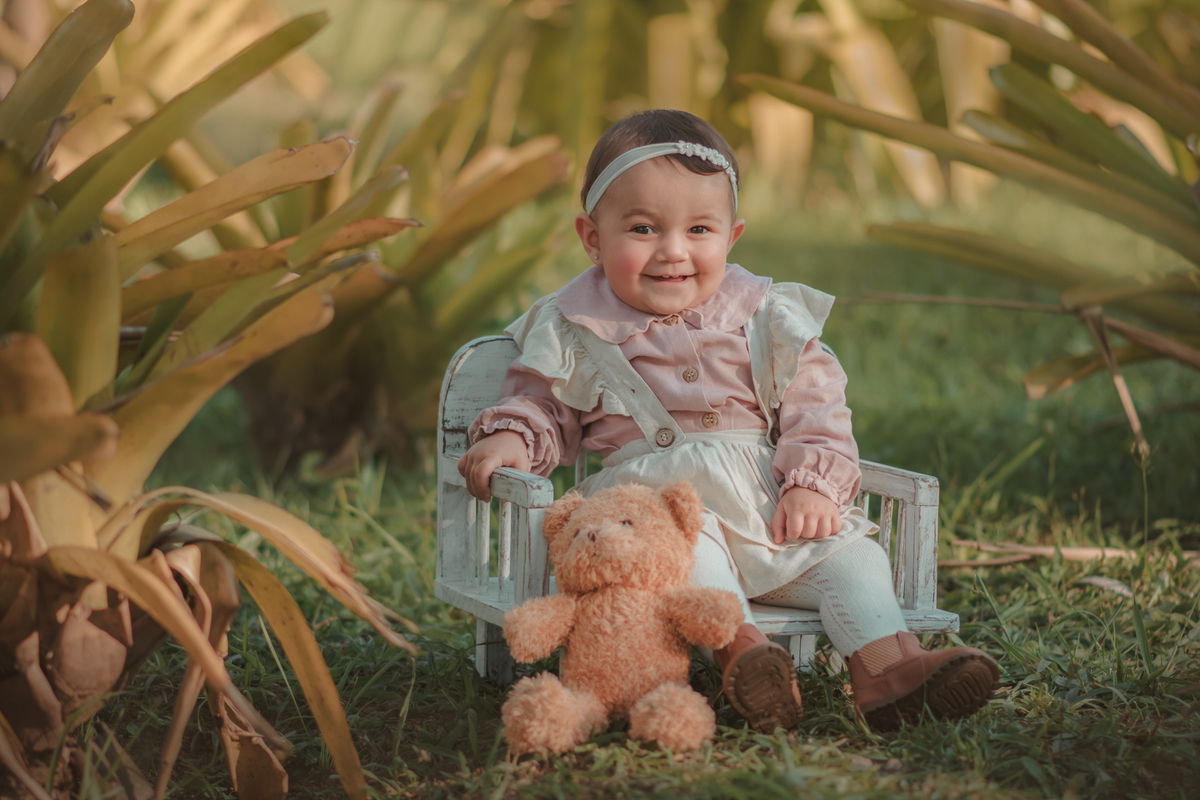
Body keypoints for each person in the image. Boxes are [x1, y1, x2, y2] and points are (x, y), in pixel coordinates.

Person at [458, 109, 999, 733]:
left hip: (766, 505)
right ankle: (746, 656)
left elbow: (816, 403)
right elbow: (543, 405)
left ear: (732, 235)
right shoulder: (573, 326)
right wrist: (511, 435)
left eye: (698, 229)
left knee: (852, 558)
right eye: (642, 228)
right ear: (592, 237)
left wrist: (809, 483)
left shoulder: (764, 316)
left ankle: (885, 671)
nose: (673, 251)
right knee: (696, 555)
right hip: (661, 504)